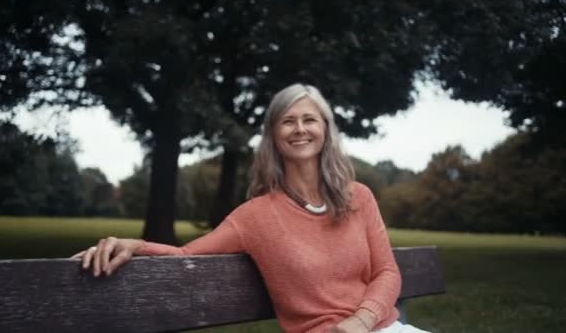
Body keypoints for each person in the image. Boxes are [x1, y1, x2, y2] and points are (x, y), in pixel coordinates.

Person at [72, 84, 430, 333]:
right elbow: (186, 254)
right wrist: (135, 245)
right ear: (273, 136)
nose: (300, 129)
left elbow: (387, 272)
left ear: (325, 129)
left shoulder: (359, 197)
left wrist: (363, 320)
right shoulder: (255, 216)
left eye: (309, 119)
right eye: (288, 121)